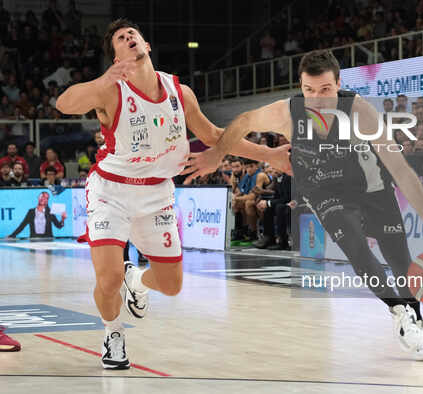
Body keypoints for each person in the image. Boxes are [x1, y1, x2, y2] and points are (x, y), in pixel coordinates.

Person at [182, 50, 423, 361]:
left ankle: (415, 317)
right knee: (357, 247)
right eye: (309, 90)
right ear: (300, 87)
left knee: (400, 260)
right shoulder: (287, 112)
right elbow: (244, 121)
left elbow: (400, 169)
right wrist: (217, 154)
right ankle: (400, 313)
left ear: (339, 84)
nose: (316, 99)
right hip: (324, 191)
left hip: (371, 187)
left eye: (325, 90)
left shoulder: (358, 110)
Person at [55, 19, 290, 370]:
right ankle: (113, 331)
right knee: (108, 279)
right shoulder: (109, 89)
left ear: (146, 46)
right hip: (111, 191)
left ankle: (138, 279)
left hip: (157, 194)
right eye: (121, 38)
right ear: (115, 56)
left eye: (133, 34)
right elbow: (64, 104)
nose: (129, 37)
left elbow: (213, 135)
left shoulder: (180, 92)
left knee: (171, 285)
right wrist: (102, 80)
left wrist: (270, 154)